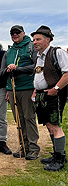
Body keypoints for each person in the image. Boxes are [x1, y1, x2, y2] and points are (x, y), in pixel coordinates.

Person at [31, 25, 68, 171]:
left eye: (38, 39)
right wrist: (35, 90)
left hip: (55, 95)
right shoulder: (39, 56)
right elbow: (39, 76)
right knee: (48, 125)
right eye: (34, 39)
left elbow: (67, 73)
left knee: (55, 126)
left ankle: (60, 159)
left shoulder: (57, 52)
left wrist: (56, 89)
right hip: (42, 95)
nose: (34, 42)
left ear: (48, 39)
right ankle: (56, 154)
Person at [0, 25, 40, 160]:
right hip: (12, 89)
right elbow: (1, 71)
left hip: (27, 87)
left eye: (17, 32)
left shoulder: (31, 46)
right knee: (19, 119)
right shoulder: (9, 51)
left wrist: (18, 69)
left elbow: (36, 66)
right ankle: (24, 146)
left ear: (23, 33)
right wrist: (8, 70)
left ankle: (33, 148)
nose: (15, 35)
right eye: (12, 33)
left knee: (29, 117)